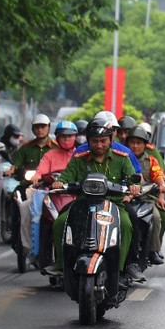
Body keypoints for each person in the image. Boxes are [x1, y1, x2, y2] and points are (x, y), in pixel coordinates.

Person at [45, 119, 140, 280]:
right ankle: (61, 265)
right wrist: (60, 181)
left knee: (125, 224)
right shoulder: (79, 158)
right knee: (60, 222)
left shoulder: (122, 158)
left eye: (103, 141)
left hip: (113, 205)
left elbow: (132, 179)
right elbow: (66, 175)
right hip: (83, 204)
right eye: (94, 141)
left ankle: (120, 270)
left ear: (110, 140)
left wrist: (134, 187)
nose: (99, 145)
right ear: (88, 141)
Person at [27, 120, 79, 268]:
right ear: (57, 137)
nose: (67, 139)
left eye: (70, 136)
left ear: (76, 137)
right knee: (37, 216)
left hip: (75, 195)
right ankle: (38, 253)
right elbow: (40, 170)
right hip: (52, 195)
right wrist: (37, 176)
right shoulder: (50, 155)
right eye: (63, 136)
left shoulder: (80, 155)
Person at [7, 114, 56, 261]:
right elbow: (15, 163)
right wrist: (11, 170)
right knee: (15, 196)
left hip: (49, 187)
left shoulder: (56, 147)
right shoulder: (25, 148)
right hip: (28, 185)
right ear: (33, 129)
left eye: (43, 127)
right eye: (37, 127)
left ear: (48, 128)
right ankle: (14, 229)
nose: (40, 130)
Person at [125, 126, 165, 265]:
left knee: (156, 217)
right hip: (124, 197)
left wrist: (161, 185)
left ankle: (153, 250)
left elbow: (158, 174)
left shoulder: (151, 160)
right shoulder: (122, 157)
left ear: (145, 145)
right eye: (132, 143)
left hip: (145, 198)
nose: (135, 146)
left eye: (139, 143)